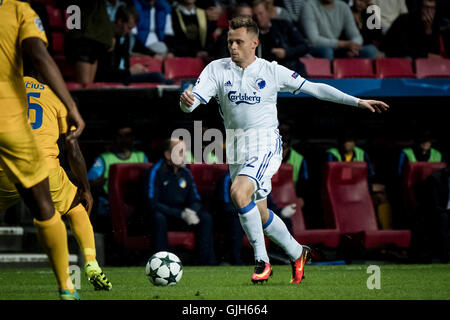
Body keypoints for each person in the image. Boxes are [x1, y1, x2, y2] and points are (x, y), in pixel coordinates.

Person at [179, 16, 389, 284]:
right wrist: (186, 102)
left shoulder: (271, 71)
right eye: (230, 41)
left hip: (265, 144)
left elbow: (315, 89)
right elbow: (192, 104)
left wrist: (357, 102)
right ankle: (296, 252)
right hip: (236, 148)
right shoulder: (217, 69)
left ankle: (262, 261)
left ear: (254, 43)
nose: (232, 47)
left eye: (239, 42)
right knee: (259, 211)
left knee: (238, 192)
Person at [0, 0, 85, 300]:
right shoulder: (17, 10)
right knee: (44, 205)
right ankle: (66, 286)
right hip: (8, 121)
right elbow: (38, 54)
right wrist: (71, 106)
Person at [0, 69, 112, 291]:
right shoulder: (57, 98)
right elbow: (72, 146)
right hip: (44, 167)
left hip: (6, 166)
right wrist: (85, 188)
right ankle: (91, 264)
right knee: (76, 210)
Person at [146, 138, 216, 265]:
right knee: (158, 218)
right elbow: (152, 203)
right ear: (167, 155)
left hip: (182, 217)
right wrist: (180, 214)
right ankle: (162, 263)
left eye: (185, 151)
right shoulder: (155, 172)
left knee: (205, 218)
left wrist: (191, 211)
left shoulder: (186, 173)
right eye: (180, 151)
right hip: (164, 217)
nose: (184, 155)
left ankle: (206, 263)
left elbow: (196, 199)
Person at [88, 121, 149, 232]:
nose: (124, 139)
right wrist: (97, 182)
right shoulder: (105, 158)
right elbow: (90, 180)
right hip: (110, 206)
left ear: (132, 138)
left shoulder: (141, 156)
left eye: (127, 136)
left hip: (136, 206)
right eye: (120, 136)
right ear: (115, 138)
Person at [326, 132, 393, 229]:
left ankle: (386, 232)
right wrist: (369, 187)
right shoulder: (331, 154)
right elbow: (331, 180)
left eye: (349, 141)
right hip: (339, 192)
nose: (346, 144)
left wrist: (371, 186)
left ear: (354, 143)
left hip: (358, 191)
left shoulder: (362, 154)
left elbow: (370, 175)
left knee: (381, 197)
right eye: (343, 141)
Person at [95, 5, 173, 84]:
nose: (130, 32)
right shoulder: (106, 37)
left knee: (163, 79)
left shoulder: (125, 36)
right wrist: (129, 72)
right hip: (114, 79)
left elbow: (138, 49)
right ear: (119, 21)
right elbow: (103, 72)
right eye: (128, 27)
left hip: (124, 76)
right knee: (157, 77)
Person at [301, 0, 379, 60]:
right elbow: (314, 40)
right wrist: (344, 44)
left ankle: (359, 79)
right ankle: (328, 80)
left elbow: (356, 36)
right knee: (327, 51)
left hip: (337, 47)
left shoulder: (343, 6)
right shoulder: (309, 6)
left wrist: (353, 48)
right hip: (314, 47)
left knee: (371, 50)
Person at [252, 0, 309, 77]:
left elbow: (304, 47)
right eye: (255, 16)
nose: (258, 18)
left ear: (268, 12)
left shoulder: (284, 25)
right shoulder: (253, 35)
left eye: (261, 14)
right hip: (269, 76)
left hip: (293, 70)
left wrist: (286, 53)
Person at [64, 0, 114, 87]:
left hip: (95, 36)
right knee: (84, 88)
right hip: (83, 36)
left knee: (88, 87)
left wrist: (109, 35)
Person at [413, 156, 450, 263]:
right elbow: (433, 204)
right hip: (440, 212)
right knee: (443, 219)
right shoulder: (434, 179)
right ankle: (443, 257)